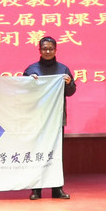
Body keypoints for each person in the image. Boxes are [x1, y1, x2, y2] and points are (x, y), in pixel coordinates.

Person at [23, 36, 77, 200]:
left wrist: (69, 83)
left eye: (50, 49)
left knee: (56, 154)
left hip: (56, 119)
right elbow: (22, 91)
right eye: (44, 49)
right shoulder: (31, 69)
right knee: (37, 152)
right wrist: (28, 82)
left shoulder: (63, 69)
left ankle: (57, 189)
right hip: (37, 118)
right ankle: (36, 190)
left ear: (55, 50)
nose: (47, 51)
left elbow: (71, 92)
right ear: (39, 50)